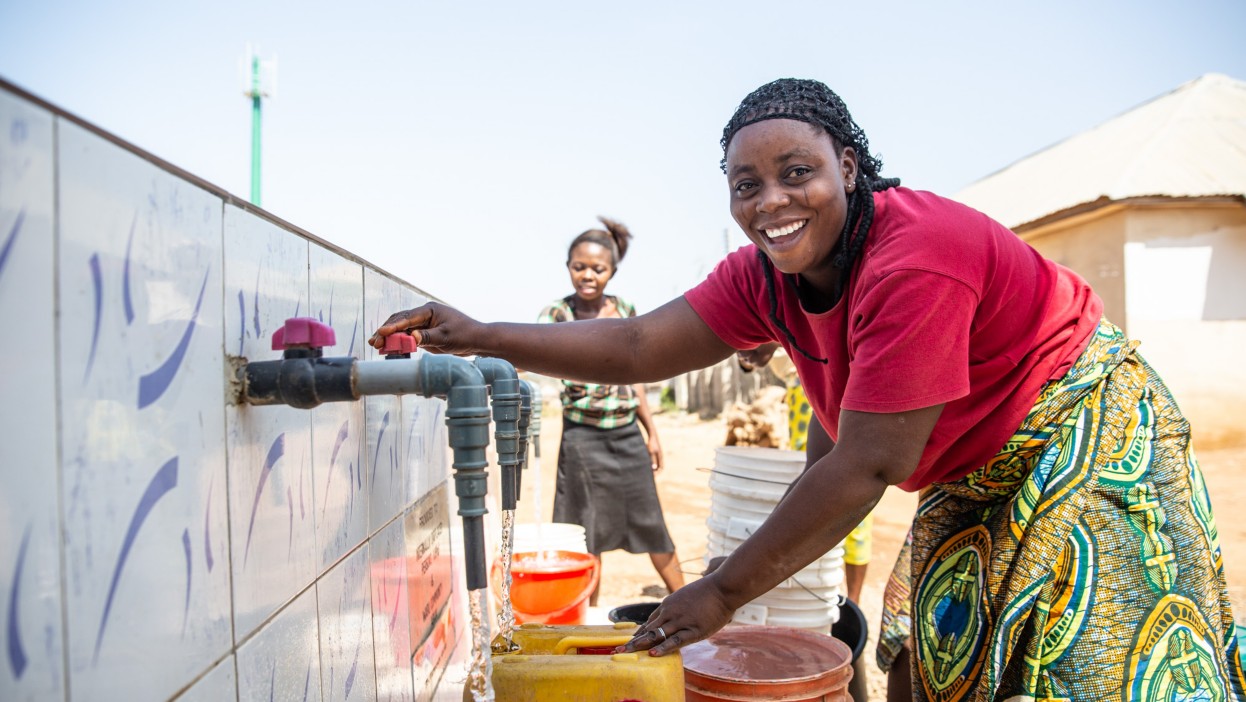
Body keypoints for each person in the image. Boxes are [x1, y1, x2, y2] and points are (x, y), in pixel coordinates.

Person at [371, 78, 1245, 700]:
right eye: (746, 186)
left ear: (851, 168)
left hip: (1081, 428)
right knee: (931, 654)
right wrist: (482, 334)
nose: (771, 201)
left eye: (798, 172)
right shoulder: (766, 276)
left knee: (1094, 658)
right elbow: (639, 343)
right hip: (975, 467)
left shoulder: (918, 258)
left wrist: (720, 592)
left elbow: (867, 464)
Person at [538, 217, 684, 605]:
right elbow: (532, 353)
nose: (588, 275)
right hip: (581, 439)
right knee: (588, 533)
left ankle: (693, 608)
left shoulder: (625, 310)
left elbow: (636, 377)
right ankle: (588, 620)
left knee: (653, 525)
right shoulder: (556, 315)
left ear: (612, 272)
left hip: (625, 436)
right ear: (568, 267)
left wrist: (651, 432)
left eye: (597, 269)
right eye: (579, 267)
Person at [738, 341, 872, 606]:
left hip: (843, 378)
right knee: (812, 478)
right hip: (806, 383)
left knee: (853, 484)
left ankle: (852, 603)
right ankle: (810, 587)